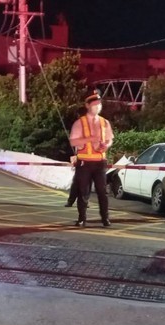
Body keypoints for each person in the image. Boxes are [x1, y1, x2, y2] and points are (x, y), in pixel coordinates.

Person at [69, 89, 114, 227]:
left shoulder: (104, 122)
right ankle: (82, 218)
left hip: (100, 162)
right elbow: (73, 141)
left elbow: (110, 139)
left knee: (102, 192)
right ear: (88, 105)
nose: (98, 106)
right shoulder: (79, 123)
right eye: (94, 104)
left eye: (99, 104)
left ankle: (105, 218)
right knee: (84, 192)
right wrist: (89, 139)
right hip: (84, 163)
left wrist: (106, 145)